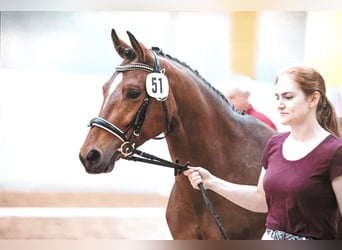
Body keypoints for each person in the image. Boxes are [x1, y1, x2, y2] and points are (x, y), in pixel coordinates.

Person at [185, 66, 342, 240]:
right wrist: (211, 182)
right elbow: (261, 199)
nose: (280, 104)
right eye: (277, 97)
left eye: (288, 97)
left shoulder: (335, 151)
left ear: (313, 99)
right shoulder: (274, 144)